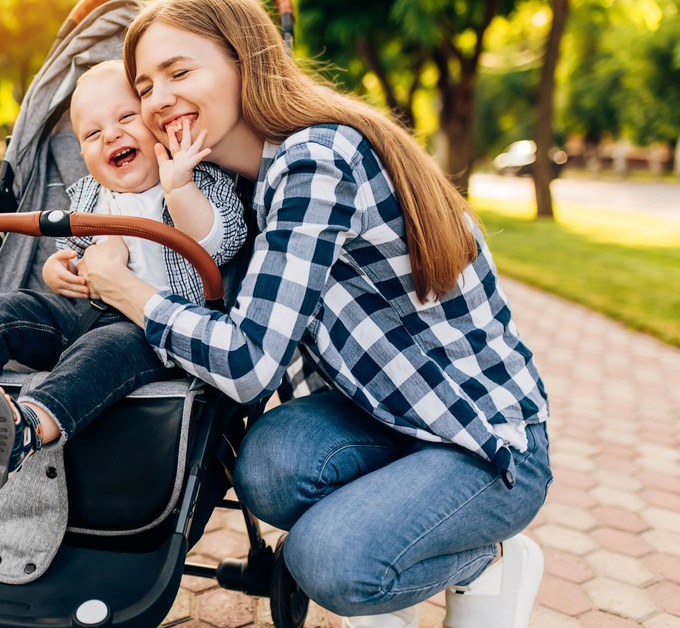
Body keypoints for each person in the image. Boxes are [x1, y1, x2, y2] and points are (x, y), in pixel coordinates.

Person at [73, 2, 552, 627]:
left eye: (178, 72)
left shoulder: (314, 160)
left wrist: (126, 291)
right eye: (145, 86)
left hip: (479, 437)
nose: (158, 98)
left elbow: (247, 363)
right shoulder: (226, 180)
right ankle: (391, 525)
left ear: (245, 62)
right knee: (269, 466)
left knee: (326, 560)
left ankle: (484, 563)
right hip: (382, 412)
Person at [0, 60, 246, 492]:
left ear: (160, 123)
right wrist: (56, 270)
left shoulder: (196, 178)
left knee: (107, 345)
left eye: (126, 118)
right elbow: (70, 255)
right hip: (82, 314)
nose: (110, 135)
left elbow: (217, 243)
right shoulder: (91, 196)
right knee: (8, 308)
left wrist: (178, 186)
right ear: (83, 156)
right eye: (92, 134)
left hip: (152, 334)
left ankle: (28, 426)